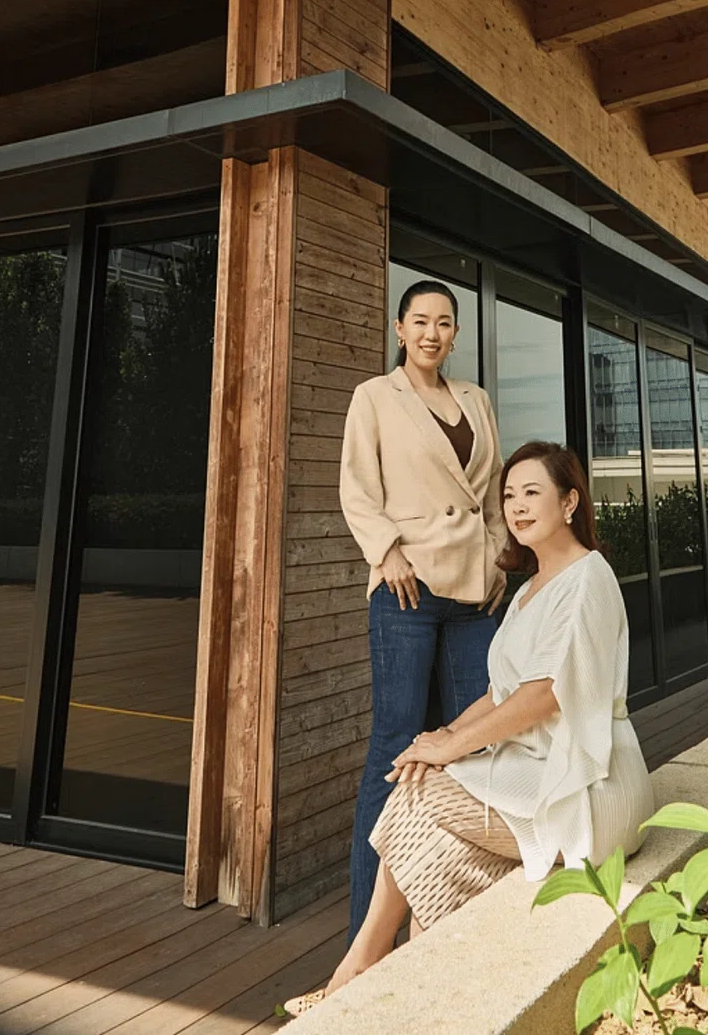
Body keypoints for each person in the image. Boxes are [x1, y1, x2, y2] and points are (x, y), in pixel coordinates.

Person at [284, 441, 654, 1014]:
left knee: (422, 793)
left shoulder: (587, 579)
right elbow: (499, 693)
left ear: (570, 501)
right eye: (508, 495)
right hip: (542, 766)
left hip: (592, 781)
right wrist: (438, 739)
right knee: (429, 827)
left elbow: (545, 695)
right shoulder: (531, 589)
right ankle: (404, 986)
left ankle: (358, 970)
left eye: (533, 492)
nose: (518, 506)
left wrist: (451, 747)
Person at [338, 278, 507, 942]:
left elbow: (492, 496)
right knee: (397, 743)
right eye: (420, 321)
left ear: (455, 333)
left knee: (471, 745)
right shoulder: (375, 398)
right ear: (399, 329)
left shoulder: (477, 400)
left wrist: (498, 558)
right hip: (406, 592)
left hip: (474, 595)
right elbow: (356, 490)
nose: (432, 333)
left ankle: (455, 917)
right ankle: (365, 933)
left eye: (444, 323)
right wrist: (388, 553)